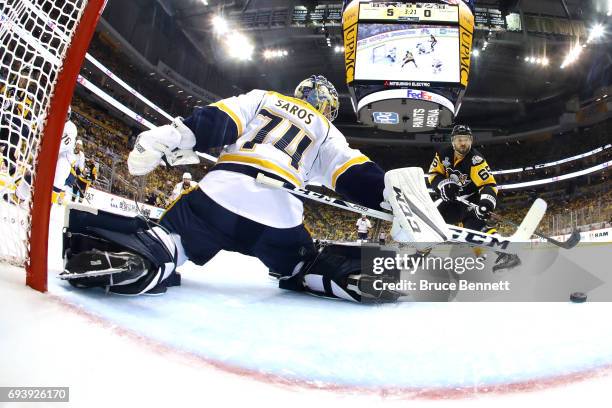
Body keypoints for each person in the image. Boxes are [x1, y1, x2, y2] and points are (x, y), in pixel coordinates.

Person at [61, 75, 448, 301]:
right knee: (300, 261)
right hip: (278, 217)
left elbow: (216, 122)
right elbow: (353, 175)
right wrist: (391, 196)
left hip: (220, 195)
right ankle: (333, 274)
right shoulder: (328, 130)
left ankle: (144, 258)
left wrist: (170, 137)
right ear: (327, 106)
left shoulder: (263, 98)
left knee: (175, 236)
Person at [428, 124, 521, 272]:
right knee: (431, 220)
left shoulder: (476, 160)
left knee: (475, 227)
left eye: (466, 139)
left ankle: (507, 254)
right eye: (459, 140)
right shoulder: (442, 154)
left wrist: (486, 203)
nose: (463, 143)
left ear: (471, 141)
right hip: (451, 200)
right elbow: (433, 174)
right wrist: (442, 185)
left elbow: (488, 184)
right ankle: (421, 253)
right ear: (453, 141)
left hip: (471, 200)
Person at [52, 106, 77, 204]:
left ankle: (49, 203)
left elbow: (63, 146)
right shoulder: (51, 118)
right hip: (51, 153)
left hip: (65, 157)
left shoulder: (71, 127)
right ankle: (20, 196)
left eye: (65, 115)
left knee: (58, 179)